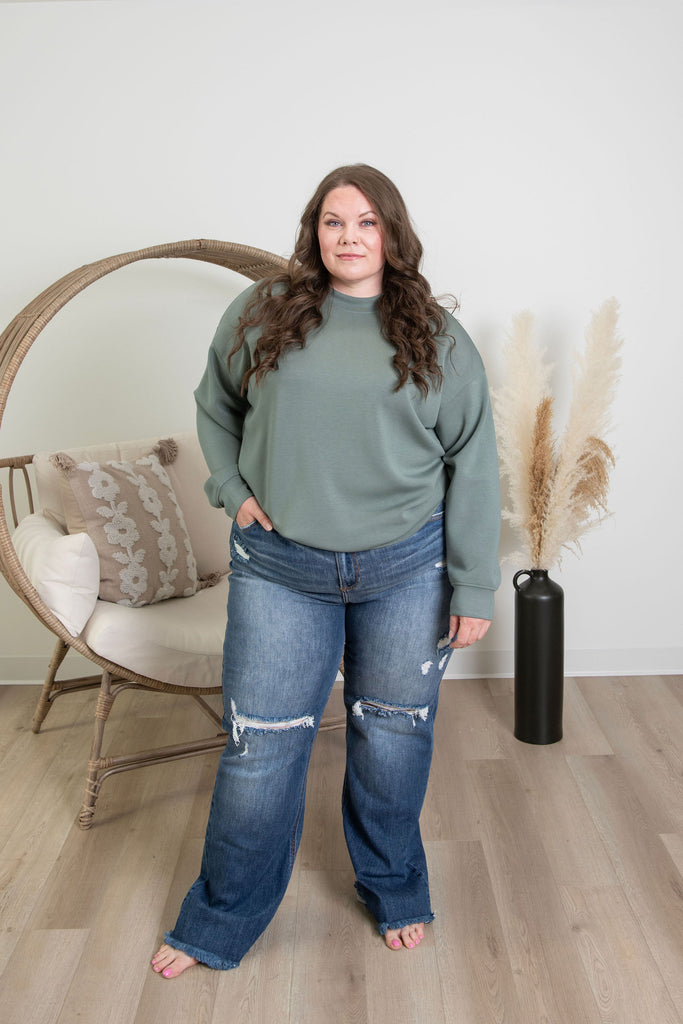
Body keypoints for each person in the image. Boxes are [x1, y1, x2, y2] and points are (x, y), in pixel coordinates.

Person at [152, 163, 500, 978]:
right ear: (314, 231)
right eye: (334, 221)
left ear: (393, 233)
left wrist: (473, 583)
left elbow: (474, 464)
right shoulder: (262, 311)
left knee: (393, 739)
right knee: (260, 750)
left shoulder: (438, 336)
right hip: (280, 567)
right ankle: (221, 916)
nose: (349, 237)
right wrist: (230, 488)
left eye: (367, 222)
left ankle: (393, 886)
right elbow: (215, 406)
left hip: (407, 566)